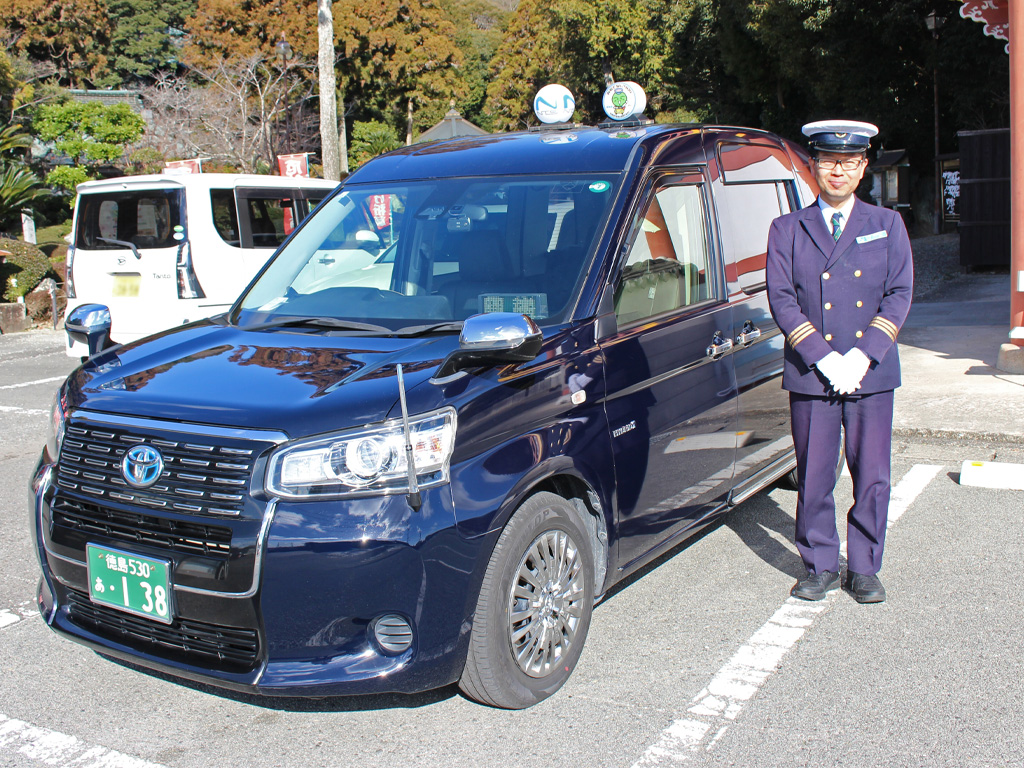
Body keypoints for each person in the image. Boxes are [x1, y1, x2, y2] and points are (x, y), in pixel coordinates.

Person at [766, 120, 913, 603]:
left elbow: (899, 294)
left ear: (864, 167)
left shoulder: (886, 224)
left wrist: (864, 355)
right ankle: (819, 564)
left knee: (871, 475)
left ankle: (865, 567)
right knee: (813, 474)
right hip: (814, 372)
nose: (838, 171)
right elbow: (783, 299)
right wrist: (824, 358)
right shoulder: (788, 228)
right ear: (814, 165)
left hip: (870, 372)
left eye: (849, 162)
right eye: (829, 161)